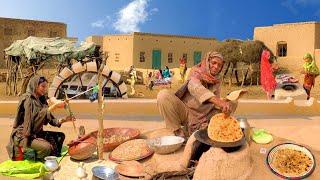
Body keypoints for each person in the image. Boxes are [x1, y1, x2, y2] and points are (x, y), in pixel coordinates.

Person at [157, 51, 235, 137]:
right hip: (186, 112)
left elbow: (216, 102)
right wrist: (219, 102)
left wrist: (224, 106)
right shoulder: (196, 72)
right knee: (163, 95)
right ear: (207, 62)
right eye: (214, 63)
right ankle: (178, 132)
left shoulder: (217, 80)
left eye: (219, 65)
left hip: (205, 116)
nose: (216, 67)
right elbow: (195, 87)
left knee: (233, 103)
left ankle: (204, 126)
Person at [6, 75, 75, 160]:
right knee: (47, 148)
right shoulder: (27, 99)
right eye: (42, 86)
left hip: (36, 133)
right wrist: (54, 106)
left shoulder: (41, 100)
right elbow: (33, 121)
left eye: (46, 87)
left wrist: (66, 119)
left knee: (60, 136)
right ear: (35, 85)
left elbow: (52, 121)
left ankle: (51, 157)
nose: (44, 89)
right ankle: (37, 159)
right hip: (24, 135)